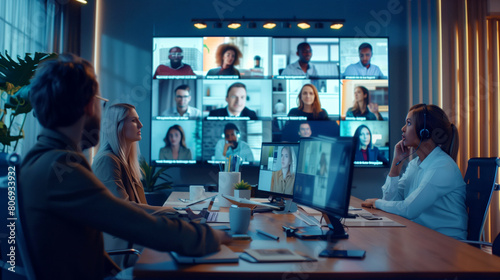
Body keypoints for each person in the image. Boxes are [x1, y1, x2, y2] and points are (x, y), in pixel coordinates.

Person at [20, 54, 229, 279]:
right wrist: (209, 236)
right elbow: (136, 223)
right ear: (90, 105)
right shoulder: (61, 168)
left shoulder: (36, 162)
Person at [361, 104, 467, 240]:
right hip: (424, 239)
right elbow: (390, 200)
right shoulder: (415, 164)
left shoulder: (442, 167)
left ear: (425, 132)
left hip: (448, 244)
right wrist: (396, 164)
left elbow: (408, 209)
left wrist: (377, 203)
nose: (403, 129)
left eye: (408, 123)